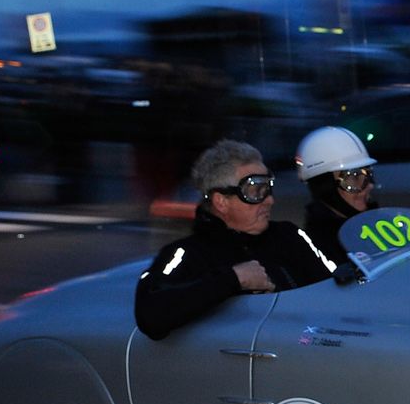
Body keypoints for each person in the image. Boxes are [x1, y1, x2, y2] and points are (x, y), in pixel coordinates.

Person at [133, 139, 334, 339]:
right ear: (221, 202)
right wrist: (233, 279)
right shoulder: (187, 254)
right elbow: (149, 315)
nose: (270, 200)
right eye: (255, 190)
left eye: (268, 187)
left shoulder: (289, 236)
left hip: (301, 348)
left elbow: (332, 286)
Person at [294, 125, 379, 263]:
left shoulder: (380, 223)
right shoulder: (317, 250)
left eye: (368, 174)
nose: (369, 185)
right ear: (326, 187)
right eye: (354, 178)